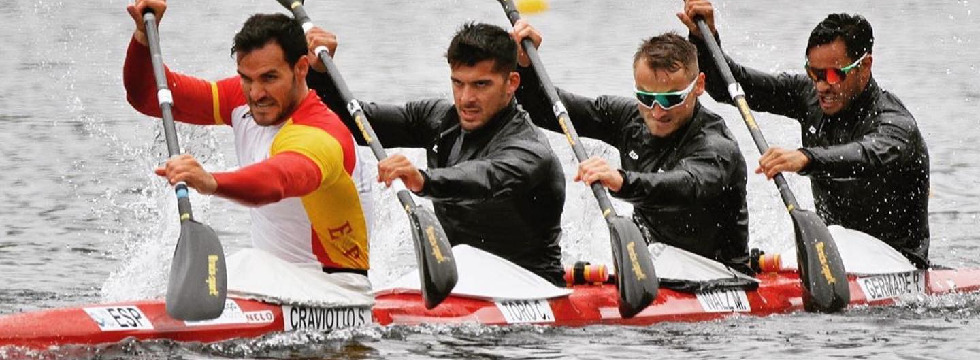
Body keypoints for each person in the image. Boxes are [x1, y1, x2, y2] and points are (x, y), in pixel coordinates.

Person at [123, 0, 373, 277]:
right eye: (247, 78)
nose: (255, 94)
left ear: (302, 68)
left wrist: (212, 181)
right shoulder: (239, 98)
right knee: (244, 266)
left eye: (269, 78)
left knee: (242, 264)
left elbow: (275, 182)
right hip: (276, 285)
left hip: (336, 290)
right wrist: (144, 37)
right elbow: (147, 96)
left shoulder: (320, 133)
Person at [305, 22, 567, 285]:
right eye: (458, 83)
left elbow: (485, 178)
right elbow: (357, 122)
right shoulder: (438, 119)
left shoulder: (530, 149)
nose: (466, 99)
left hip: (532, 284)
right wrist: (318, 73)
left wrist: (423, 180)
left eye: (481, 85)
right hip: (458, 278)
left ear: (511, 83)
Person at [678, 0, 930, 268]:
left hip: (898, 261)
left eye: (833, 75)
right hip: (833, 254)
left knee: (835, 239)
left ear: (864, 66)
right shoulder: (806, 94)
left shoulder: (896, 126)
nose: (821, 86)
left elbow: (866, 155)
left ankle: (771, 263)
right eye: (813, 73)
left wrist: (805, 158)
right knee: (831, 239)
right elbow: (729, 86)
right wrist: (703, 38)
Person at [511, 21, 753, 275]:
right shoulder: (628, 118)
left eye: (671, 99)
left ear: (699, 86)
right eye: (646, 98)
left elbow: (684, 187)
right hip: (652, 267)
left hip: (721, 271)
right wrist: (525, 66)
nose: (657, 111)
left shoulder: (716, 146)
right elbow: (547, 110)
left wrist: (621, 182)